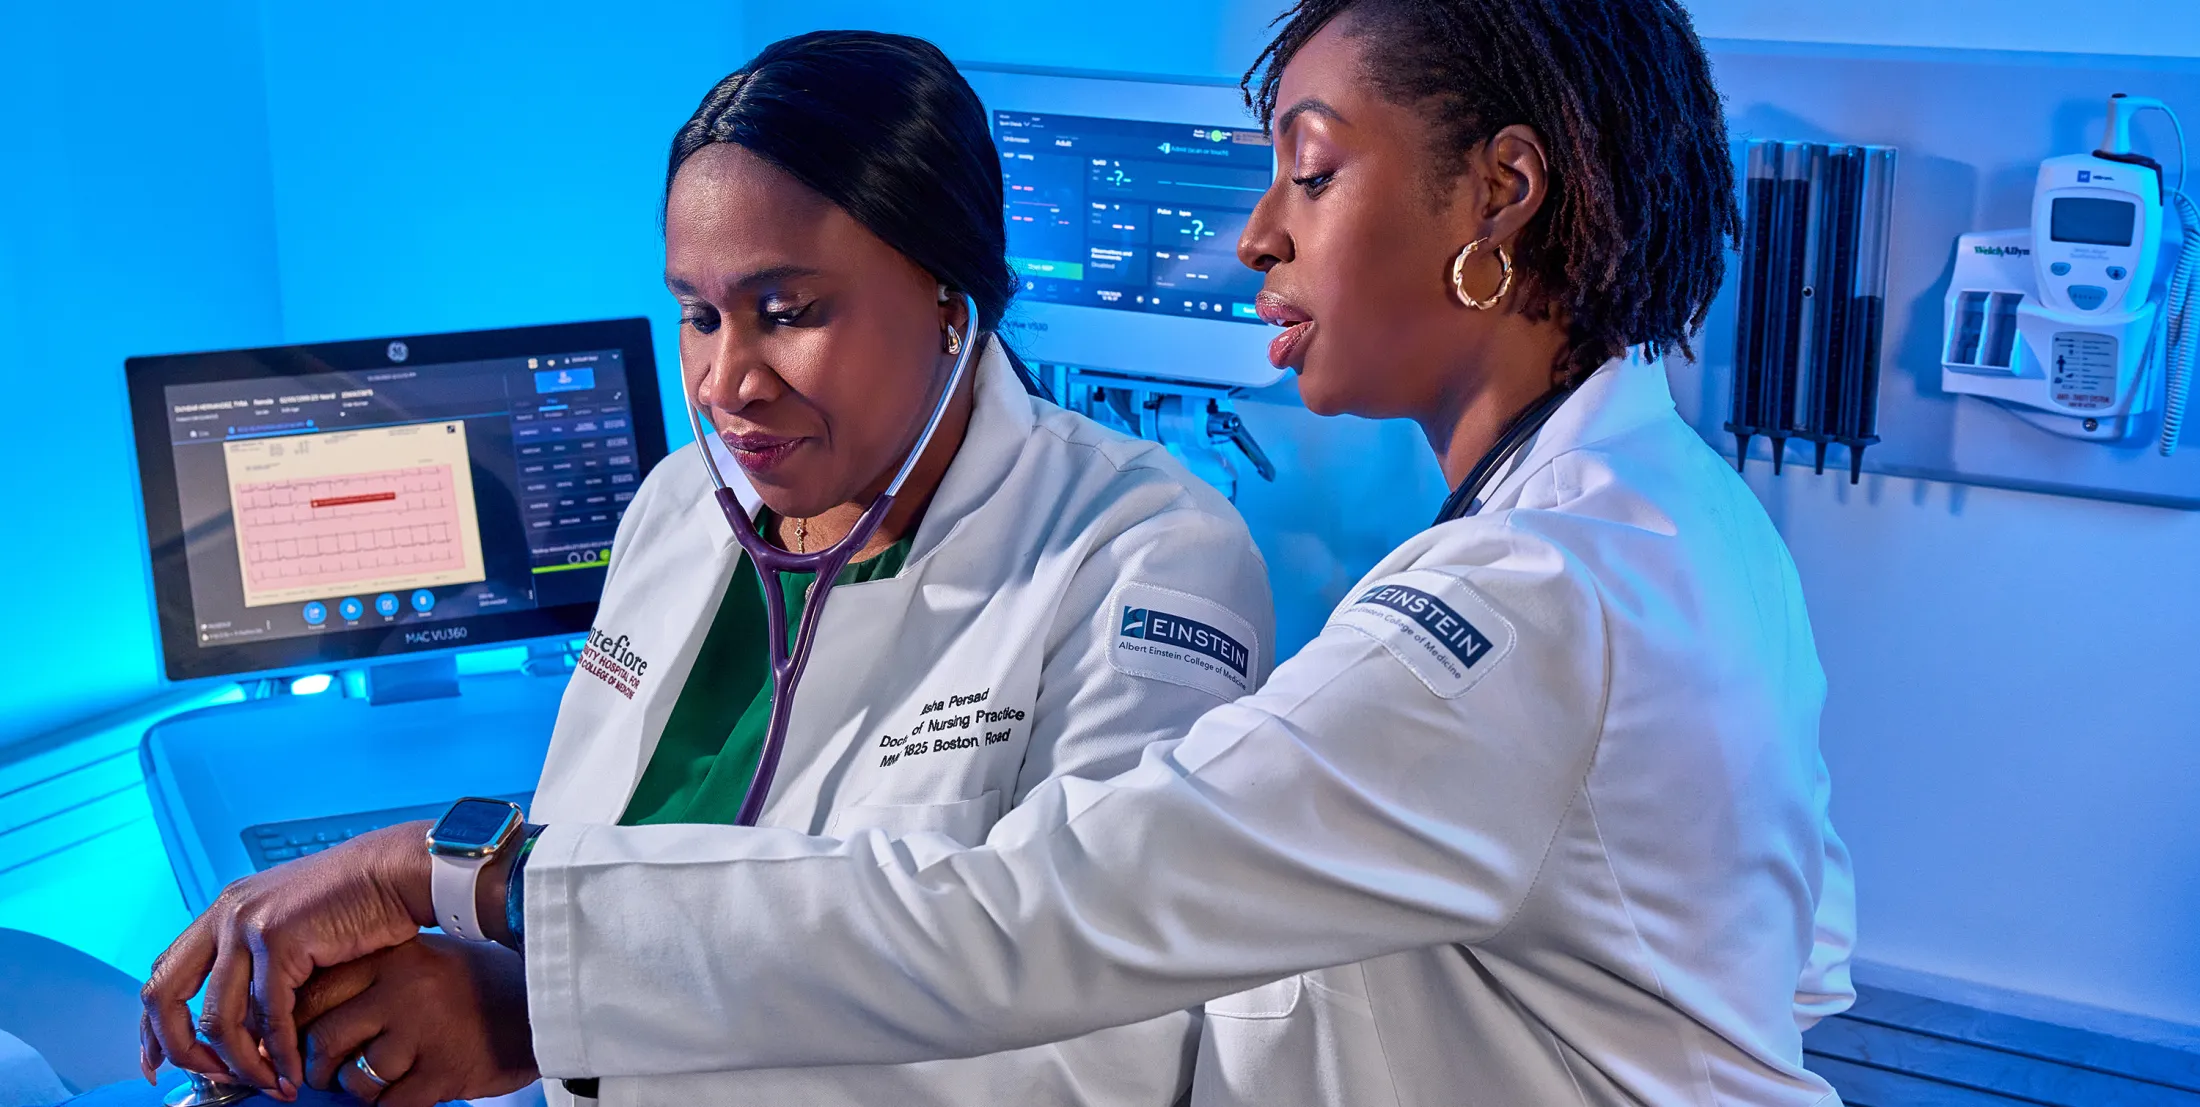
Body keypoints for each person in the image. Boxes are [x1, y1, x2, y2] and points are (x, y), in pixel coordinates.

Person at [142, 2, 1858, 1105]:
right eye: (699, 315)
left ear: (1499, 197)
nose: (1253, 232)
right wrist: (523, 994)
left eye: (1310, 176)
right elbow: (1785, 941)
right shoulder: (1647, 524)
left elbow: (1041, 952)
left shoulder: (1510, 591)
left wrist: (477, 895)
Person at [136, 30, 1274, 1107]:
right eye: (697, 316)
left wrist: (547, 1007)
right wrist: (504, 991)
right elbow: (638, 855)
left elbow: (1095, 1055)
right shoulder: (684, 507)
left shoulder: (1141, 554)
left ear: (950, 299)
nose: (730, 381)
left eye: (787, 313)